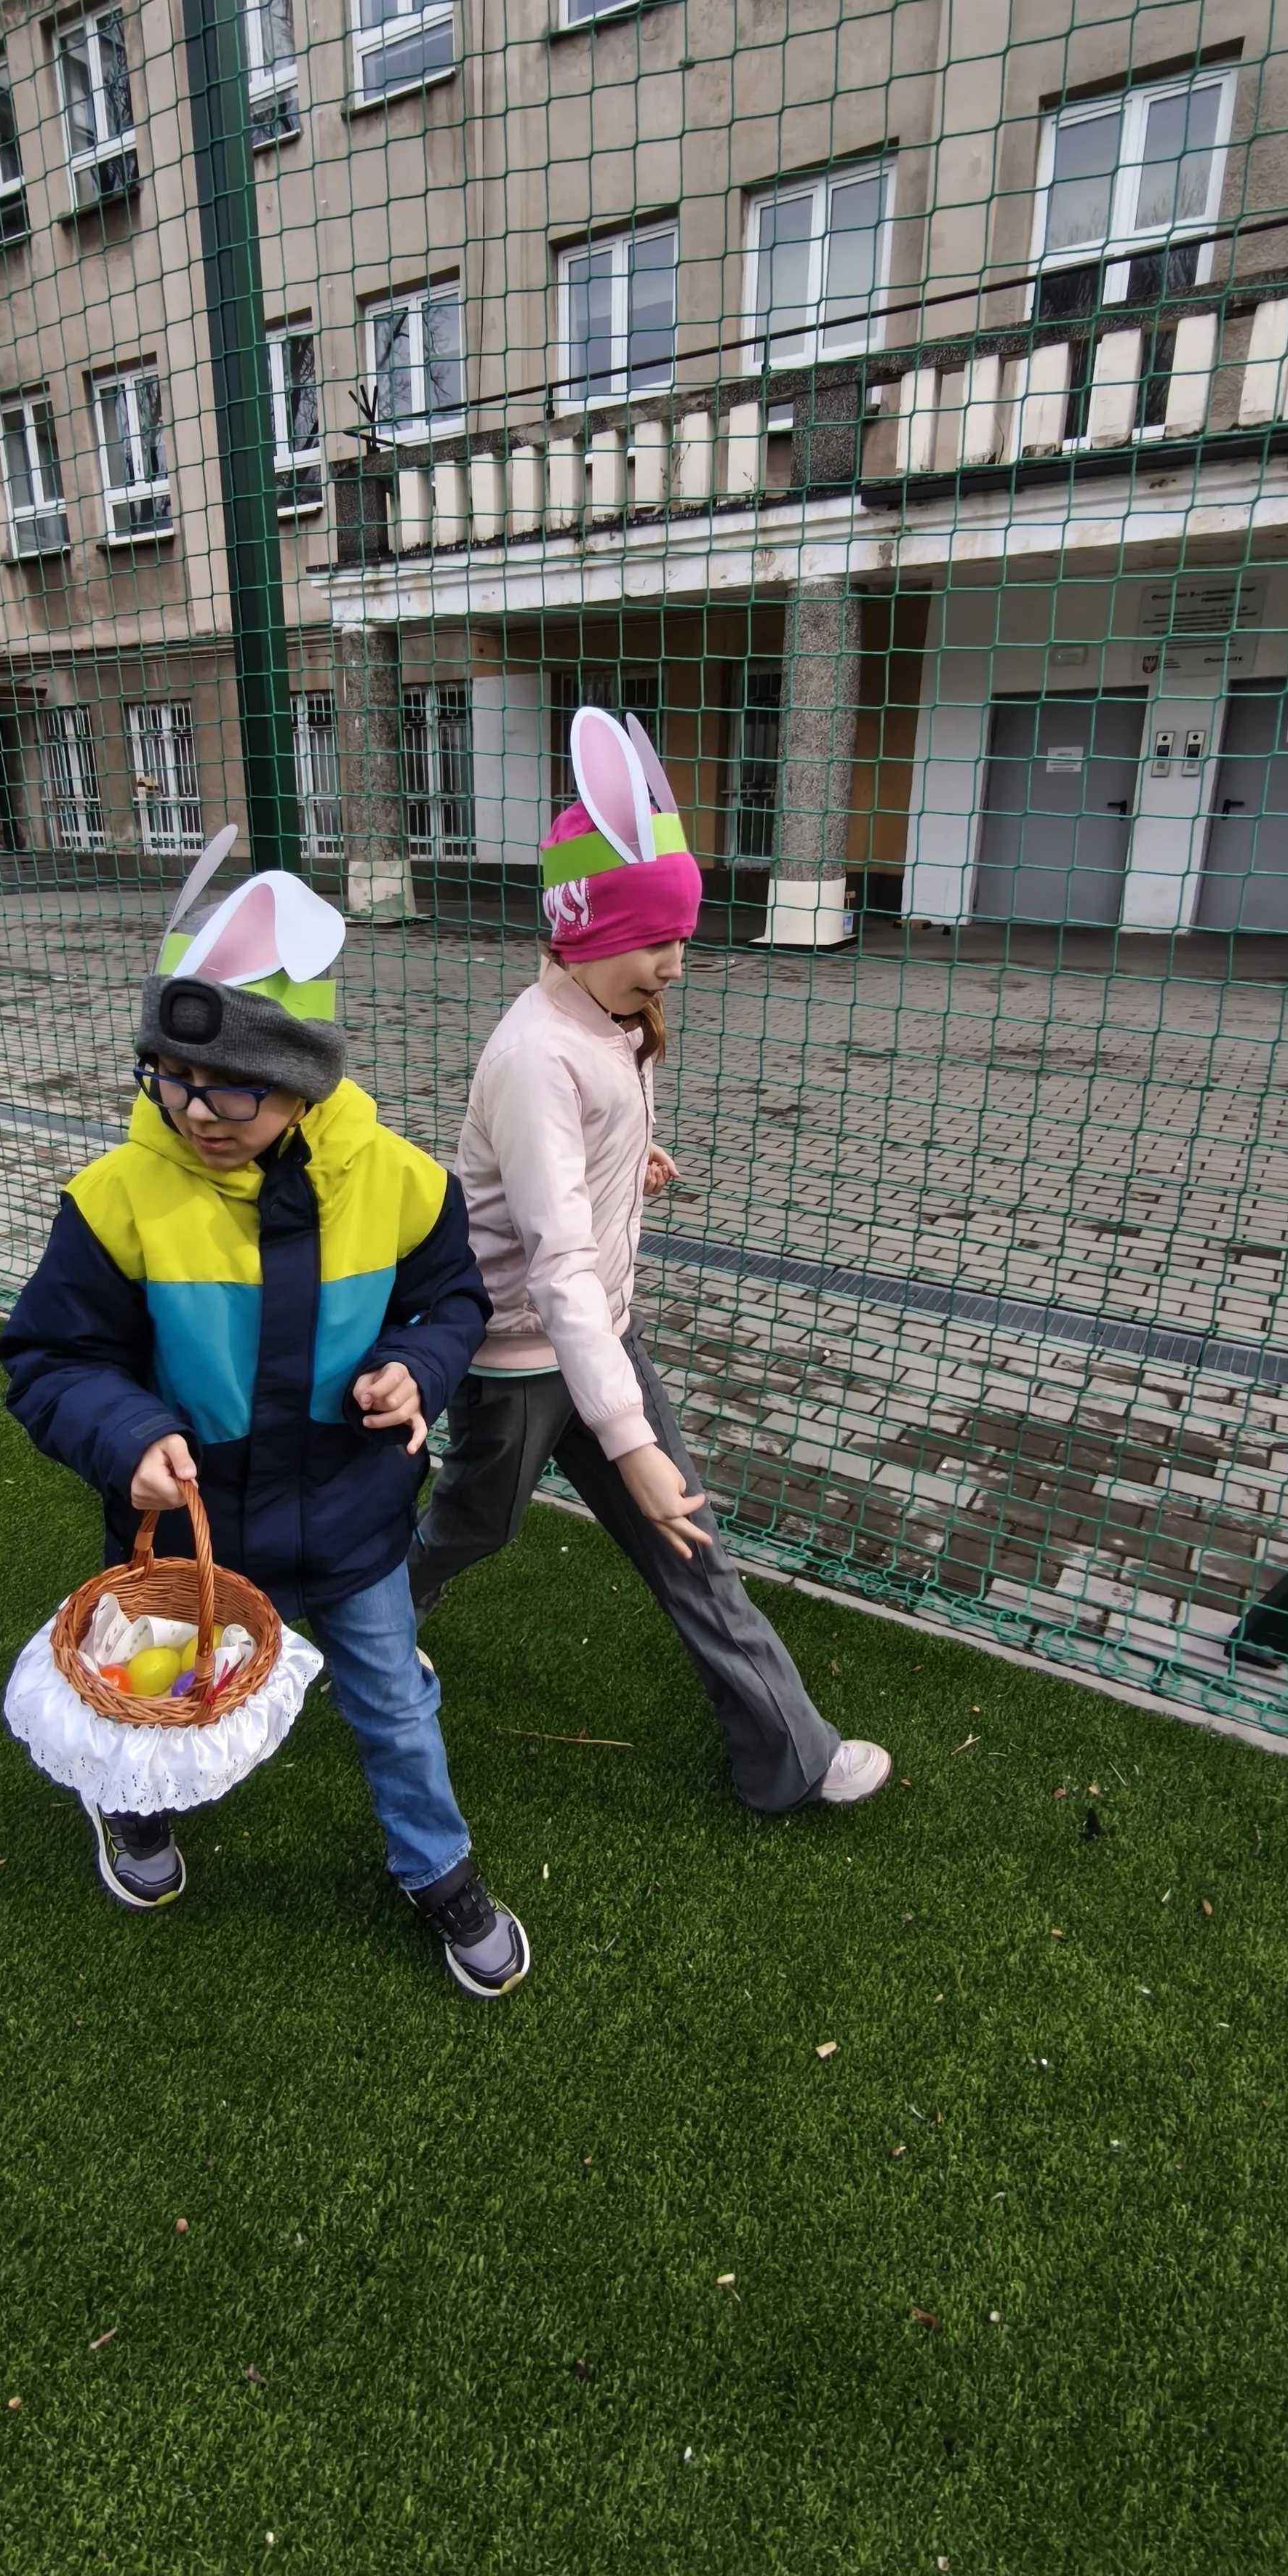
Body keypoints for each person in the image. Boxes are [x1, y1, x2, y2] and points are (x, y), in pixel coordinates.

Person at [0, 843, 527, 1999]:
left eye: (232, 1084)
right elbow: (50, 1358)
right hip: (197, 1533)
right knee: (159, 1703)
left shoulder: (403, 1182)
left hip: (353, 1518)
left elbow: (454, 1303)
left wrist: (416, 1367)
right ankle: (134, 1809)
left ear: (308, 1081)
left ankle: (437, 1866)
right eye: (170, 1076)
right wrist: (126, 1434)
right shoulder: (114, 1200)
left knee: (394, 1704)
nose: (196, 1110)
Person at [409, 704, 892, 1816]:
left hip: (599, 1343)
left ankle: (791, 1755)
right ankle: (368, 1624)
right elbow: (557, 1263)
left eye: (681, 938)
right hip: (522, 1357)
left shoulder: (609, 1019)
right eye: (657, 942)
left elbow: (583, 1162)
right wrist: (627, 1444)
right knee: (475, 1525)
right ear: (582, 930)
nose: (676, 963)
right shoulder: (534, 1055)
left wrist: (632, 1163)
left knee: (690, 1544)